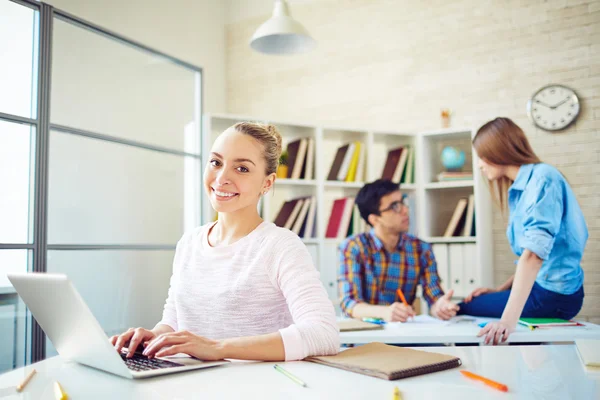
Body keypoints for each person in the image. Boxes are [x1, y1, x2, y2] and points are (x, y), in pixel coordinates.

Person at [111, 122, 339, 361]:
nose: (221, 178)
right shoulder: (189, 243)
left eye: (241, 168)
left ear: (267, 183)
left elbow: (323, 333)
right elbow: (175, 320)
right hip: (191, 381)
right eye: (216, 162)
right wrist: (152, 338)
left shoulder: (279, 245)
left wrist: (219, 348)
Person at [460, 117, 587, 345]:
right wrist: (498, 291)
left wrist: (507, 322)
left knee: (463, 307)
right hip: (546, 290)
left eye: (481, 156)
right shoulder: (522, 188)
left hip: (552, 295)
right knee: (476, 302)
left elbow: (534, 256)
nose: (480, 164)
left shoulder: (543, 179)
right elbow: (536, 256)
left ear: (497, 151)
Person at [338, 179, 459, 322]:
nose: (405, 210)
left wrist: (441, 306)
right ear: (374, 219)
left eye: (403, 202)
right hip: (367, 332)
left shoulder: (421, 249)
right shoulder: (353, 247)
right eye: (395, 206)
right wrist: (385, 312)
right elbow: (349, 303)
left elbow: (434, 294)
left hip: (403, 332)